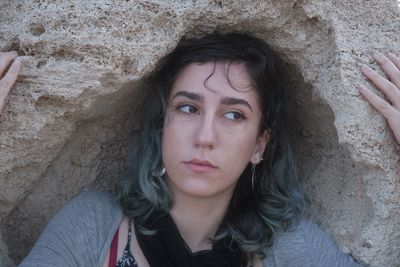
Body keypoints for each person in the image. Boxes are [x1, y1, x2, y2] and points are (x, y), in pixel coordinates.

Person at [0, 33, 398, 267]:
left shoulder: (289, 249)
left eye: (234, 115)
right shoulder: (93, 226)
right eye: (188, 108)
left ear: (260, 144)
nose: (205, 135)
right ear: (162, 127)